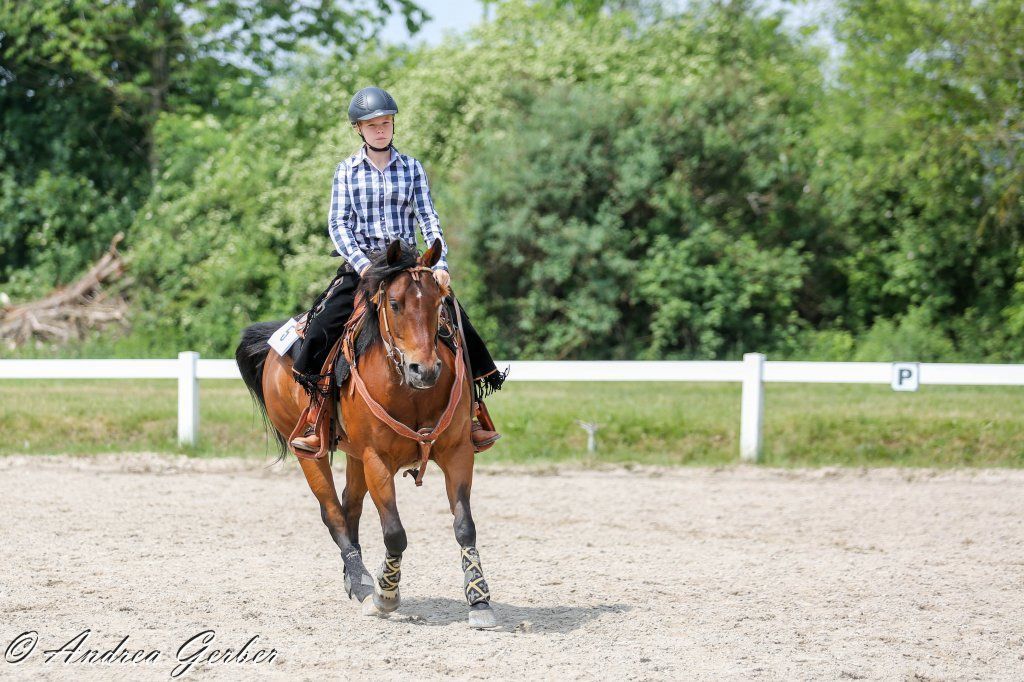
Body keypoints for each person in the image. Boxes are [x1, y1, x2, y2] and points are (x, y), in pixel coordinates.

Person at [289, 86, 507, 454]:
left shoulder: (412, 168)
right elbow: (339, 225)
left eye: (386, 123)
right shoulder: (346, 171)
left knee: (459, 326)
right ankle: (316, 419)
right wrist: (363, 268)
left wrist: (440, 265)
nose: (380, 130)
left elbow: (428, 218)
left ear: (393, 126)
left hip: (410, 265)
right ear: (359, 129)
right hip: (365, 265)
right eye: (372, 125)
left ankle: (473, 415)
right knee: (322, 330)